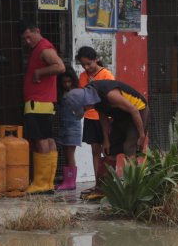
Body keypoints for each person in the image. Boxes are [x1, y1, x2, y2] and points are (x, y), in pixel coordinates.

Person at [62, 79, 149, 179]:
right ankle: (105, 187)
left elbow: (133, 110)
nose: (86, 111)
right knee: (109, 149)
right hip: (120, 116)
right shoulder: (93, 97)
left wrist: (141, 134)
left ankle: (130, 186)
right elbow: (103, 117)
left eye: (84, 109)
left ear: (85, 102)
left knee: (129, 147)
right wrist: (106, 140)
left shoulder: (110, 95)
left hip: (138, 111)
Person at [21, 23, 66, 194]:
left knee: (40, 140)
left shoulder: (43, 47)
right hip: (45, 102)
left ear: (37, 31)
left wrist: (39, 73)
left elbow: (60, 67)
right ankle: (48, 182)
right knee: (48, 139)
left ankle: (41, 183)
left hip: (37, 103)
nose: (27, 41)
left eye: (29, 36)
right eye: (24, 38)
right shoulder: (41, 47)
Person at [75, 46, 114, 197]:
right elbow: (84, 97)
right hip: (90, 117)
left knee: (107, 150)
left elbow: (110, 97)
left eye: (89, 64)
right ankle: (98, 183)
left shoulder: (106, 74)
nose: (87, 67)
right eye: (83, 65)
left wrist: (94, 86)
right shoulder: (83, 76)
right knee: (95, 150)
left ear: (96, 59)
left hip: (105, 118)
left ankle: (108, 183)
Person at [54, 72, 81, 191]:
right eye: (64, 82)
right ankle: (67, 181)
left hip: (72, 126)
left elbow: (80, 112)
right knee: (66, 154)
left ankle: (70, 182)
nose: (66, 84)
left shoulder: (75, 93)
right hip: (64, 126)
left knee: (70, 154)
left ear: (73, 81)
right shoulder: (62, 94)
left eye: (69, 82)